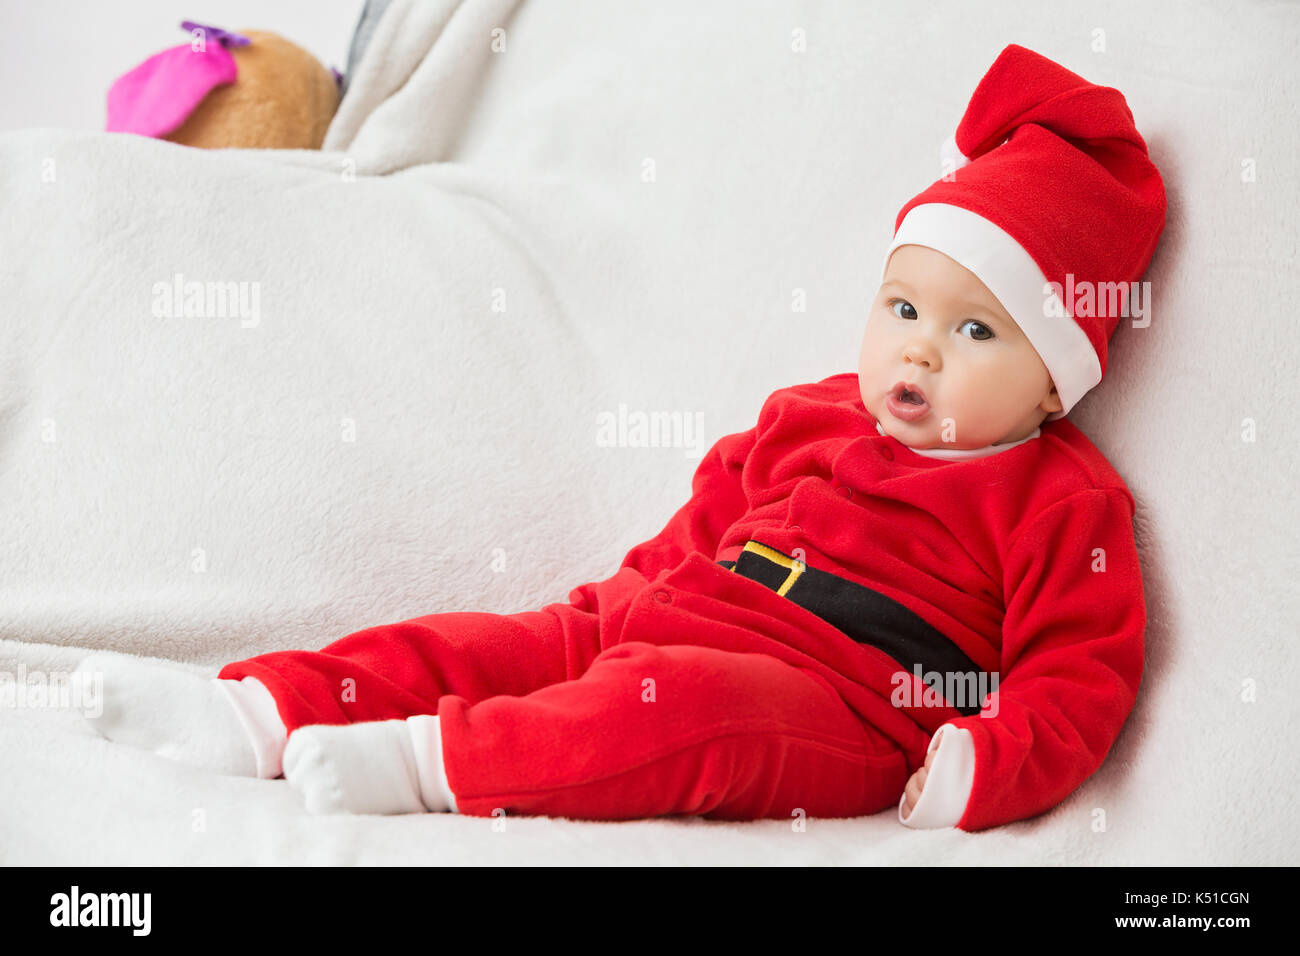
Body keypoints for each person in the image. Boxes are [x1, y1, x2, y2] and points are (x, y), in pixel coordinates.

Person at [76, 43, 1166, 831]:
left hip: (846, 702)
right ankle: (256, 708)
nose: (919, 352)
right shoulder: (813, 412)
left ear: (1053, 382)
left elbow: (1078, 675)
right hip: (684, 606)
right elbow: (699, 528)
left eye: (974, 330)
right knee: (504, 642)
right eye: (903, 309)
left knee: (687, 712)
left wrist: (981, 762)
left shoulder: (1062, 498)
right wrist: (610, 616)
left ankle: (425, 763)